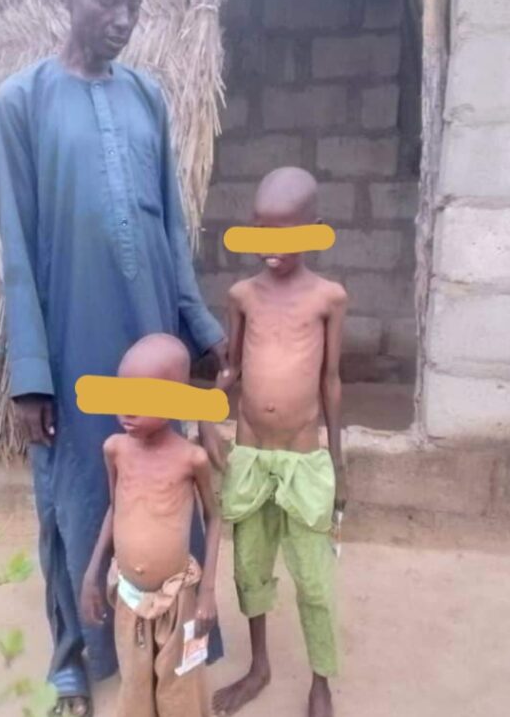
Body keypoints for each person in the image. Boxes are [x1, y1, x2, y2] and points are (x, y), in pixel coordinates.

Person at [0, 0, 226, 713]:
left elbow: (169, 223)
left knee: (166, 483)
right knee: (76, 494)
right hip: (72, 335)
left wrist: (197, 324)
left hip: (153, 330)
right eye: (106, 0)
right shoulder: (20, 101)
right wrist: (30, 371)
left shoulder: (149, 96)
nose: (122, 19)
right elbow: (17, 247)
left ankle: (179, 640)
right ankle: (73, 657)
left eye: (134, 3)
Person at [211, 168, 348, 717]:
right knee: (250, 568)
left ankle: (321, 679)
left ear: (314, 230)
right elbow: (234, 368)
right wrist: (213, 404)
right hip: (250, 453)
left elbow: (331, 380)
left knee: (314, 578)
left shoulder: (328, 298)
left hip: (301, 456)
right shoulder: (242, 295)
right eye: (262, 231)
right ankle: (259, 665)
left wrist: (338, 461)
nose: (272, 247)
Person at [79, 334, 221, 717]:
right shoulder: (116, 450)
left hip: (178, 598)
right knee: (136, 686)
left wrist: (208, 591)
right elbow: (115, 508)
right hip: (128, 596)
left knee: (180, 689)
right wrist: (92, 575)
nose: (126, 410)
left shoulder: (191, 460)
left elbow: (215, 515)